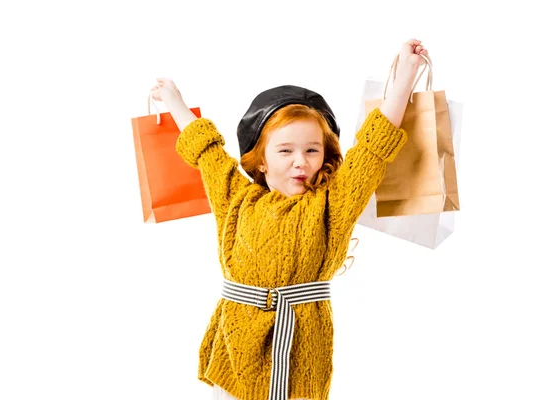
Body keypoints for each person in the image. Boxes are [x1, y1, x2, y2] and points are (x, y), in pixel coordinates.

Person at [151, 39, 429, 400]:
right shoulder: (236, 196)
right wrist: (174, 101)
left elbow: (372, 152)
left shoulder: (333, 203)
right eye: (285, 150)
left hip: (303, 350)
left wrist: (404, 78)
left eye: (312, 150)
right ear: (261, 160)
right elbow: (207, 151)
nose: (301, 161)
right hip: (236, 353)